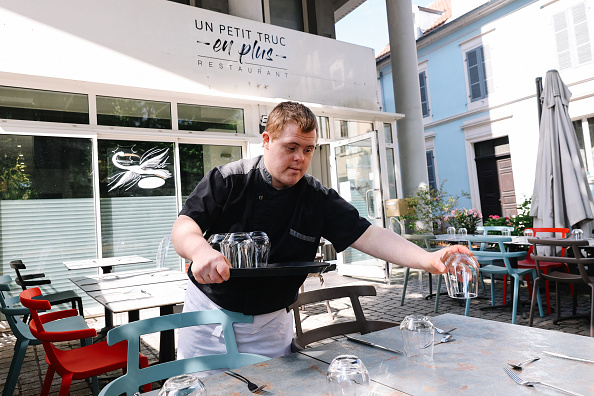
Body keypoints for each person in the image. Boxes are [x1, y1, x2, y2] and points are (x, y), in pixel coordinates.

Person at [171, 101, 471, 362]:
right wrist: (200, 251)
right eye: (291, 147)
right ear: (266, 140)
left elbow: (368, 235)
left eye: (307, 149)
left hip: (271, 324)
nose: (300, 158)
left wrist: (428, 259)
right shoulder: (228, 180)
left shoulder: (317, 198)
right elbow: (184, 226)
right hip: (209, 317)